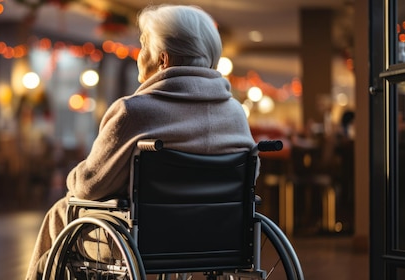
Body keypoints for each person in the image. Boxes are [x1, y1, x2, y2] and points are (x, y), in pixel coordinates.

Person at [25, 4, 256, 279]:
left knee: (61, 212)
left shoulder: (134, 112)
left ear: (163, 60)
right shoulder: (235, 113)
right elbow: (248, 175)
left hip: (141, 240)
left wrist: (74, 177)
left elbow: (89, 186)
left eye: (142, 47)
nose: (138, 56)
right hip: (218, 237)